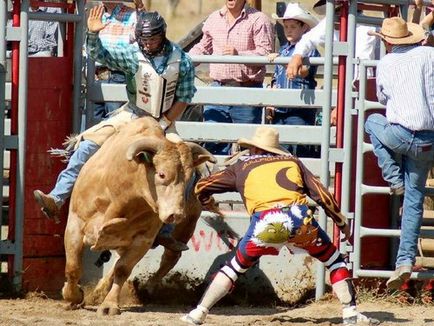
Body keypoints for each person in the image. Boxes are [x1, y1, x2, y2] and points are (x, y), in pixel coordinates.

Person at [33, 7, 196, 251]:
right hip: (132, 114)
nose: (148, 44)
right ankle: (57, 197)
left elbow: (184, 96)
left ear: (162, 36)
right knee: (87, 145)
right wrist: (92, 34)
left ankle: (166, 228)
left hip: (165, 120)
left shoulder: (182, 61)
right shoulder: (133, 55)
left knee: (185, 168)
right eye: (144, 39)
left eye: (152, 39)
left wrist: (163, 123)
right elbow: (101, 53)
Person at [181, 126, 379, 326]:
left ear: (256, 149)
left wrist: (206, 201)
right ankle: (350, 313)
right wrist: (341, 222)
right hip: (300, 220)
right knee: (335, 261)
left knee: (234, 268)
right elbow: (322, 195)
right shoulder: (293, 162)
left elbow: (201, 186)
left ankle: (198, 313)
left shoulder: (241, 167)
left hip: (265, 224)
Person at [364, 17, 434, 290]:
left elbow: (381, 98)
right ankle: (405, 261)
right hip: (429, 140)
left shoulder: (387, 63)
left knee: (372, 122)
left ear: (386, 40)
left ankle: (393, 179)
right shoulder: (429, 54)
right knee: (415, 201)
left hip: (402, 134)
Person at [188, 0, 274, 155]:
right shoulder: (214, 18)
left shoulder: (259, 19)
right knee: (213, 142)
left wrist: (239, 55)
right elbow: (203, 47)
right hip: (217, 89)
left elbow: (265, 53)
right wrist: (185, 61)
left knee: (248, 146)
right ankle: (216, 178)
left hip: (247, 90)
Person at [267, 3, 320, 157]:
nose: (288, 30)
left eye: (293, 27)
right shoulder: (283, 49)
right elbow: (276, 79)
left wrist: (283, 60)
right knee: (280, 150)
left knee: (299, 150)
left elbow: (305, 72)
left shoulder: (310, 50)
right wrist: (271, 102)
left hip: (300, 110)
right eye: (286, 27)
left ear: (304, 28)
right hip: (280, 110)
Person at [286, 0, 377, 81]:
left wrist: (354, 88)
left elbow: (361, 65)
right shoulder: (329, 21)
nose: (335, 13)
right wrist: (297, 55)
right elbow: (309, 38)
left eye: (338, 8)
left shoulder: (365, 28)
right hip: (348, 81)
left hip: (363, 82)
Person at [93, 1, 141, 121]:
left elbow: (140, 44)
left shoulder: (134, 15)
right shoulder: (96, 14)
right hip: (96, 76)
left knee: (114, 122)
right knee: (94, 123)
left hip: (119, 75)